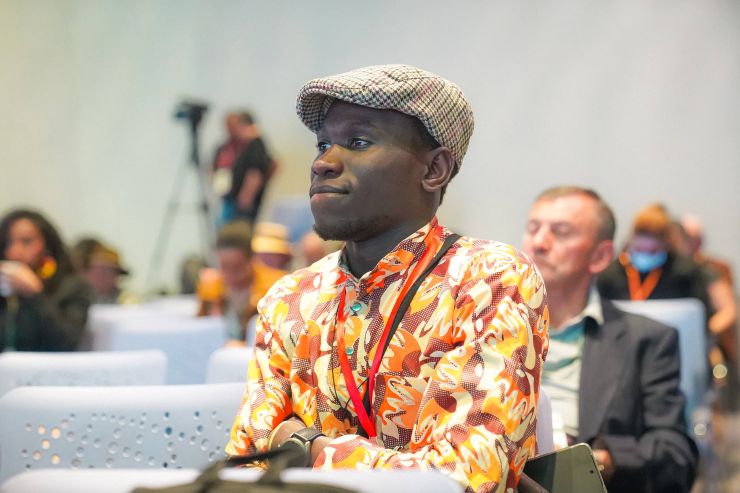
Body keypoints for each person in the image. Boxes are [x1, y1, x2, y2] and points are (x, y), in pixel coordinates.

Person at [226, 64, 549, 493]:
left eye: (358, 142)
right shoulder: (290, 299)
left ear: (433, 169)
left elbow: (460, 481)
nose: (323, 163)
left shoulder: (488, 281)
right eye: (323, 144)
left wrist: (307, 446)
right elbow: (247, 467)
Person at [522, 187, 697, 493]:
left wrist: (594, 462)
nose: (539, 243)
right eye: (533, 228)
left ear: (600, 256)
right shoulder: (487, 326)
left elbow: (675, 455)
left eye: (560, 232)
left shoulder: (645, 340)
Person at [0, 209, 93, 352]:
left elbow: (67, 343)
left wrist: (34, 294)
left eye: (26, 241)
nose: (15, 252)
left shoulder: (73, 287)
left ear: (47, 246)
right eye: (8, 242)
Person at [221, 112, 278, 225]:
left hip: (244, 203)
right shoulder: (253, 145)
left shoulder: (255, 145)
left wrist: (246, 196)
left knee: (237, 229)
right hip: (239, 200)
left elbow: (255, 173)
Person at [72, 238, 135, 304]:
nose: (114, 280)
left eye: (115, 274)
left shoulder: (126, 301)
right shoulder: (70, 299)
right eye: (104, 272)